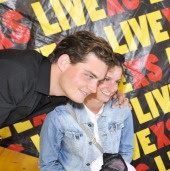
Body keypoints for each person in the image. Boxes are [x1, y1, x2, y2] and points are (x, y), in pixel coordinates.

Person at [0, 30, 128, 128]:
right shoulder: (15, 73)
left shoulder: (62, 91)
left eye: (99, 81)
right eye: (89, 76)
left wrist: (115, 95)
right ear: (64, 62)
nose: (94, 88)